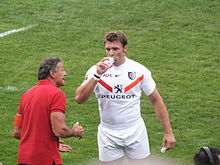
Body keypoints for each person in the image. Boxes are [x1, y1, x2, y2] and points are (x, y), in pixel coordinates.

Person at [75, 31, 176, 165]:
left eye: (115, 49)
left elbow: (156, 100)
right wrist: (97, 76)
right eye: (108, 49)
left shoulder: (139, 70)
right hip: (108, 133)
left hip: (134, 130)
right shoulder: (95, 70)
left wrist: (168, 132)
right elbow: (79, 99)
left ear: (125, 48)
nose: (111, 53)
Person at [13, 57, 84, 165]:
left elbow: (17, 132)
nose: (65, 74)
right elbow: (59, 130)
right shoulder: (56, 94)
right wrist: (75, 131)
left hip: (24, 159)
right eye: (62, 70)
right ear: (53, 73)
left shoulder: (26, 95)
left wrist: (48, 142)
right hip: (45, 159)